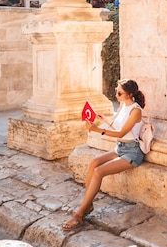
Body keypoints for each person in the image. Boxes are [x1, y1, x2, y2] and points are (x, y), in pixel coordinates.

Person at [62, 79, 146, 231]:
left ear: (130, 94)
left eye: (119, 93)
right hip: (120, 147)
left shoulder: (136, 110)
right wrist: (105, 120)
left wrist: (96, 130)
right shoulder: (123, 106)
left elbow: (121, 133)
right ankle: (88, 205)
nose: (116, 94)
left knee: (99, 171)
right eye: (116, 90)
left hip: (132, 152)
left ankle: (80, 214)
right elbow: (119, 127)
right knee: (94, 162)